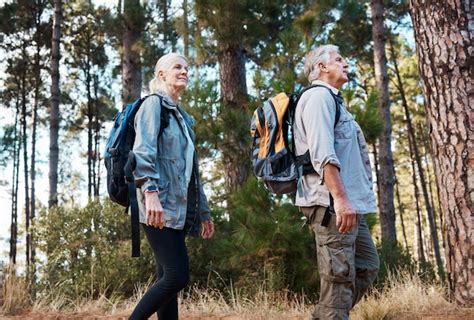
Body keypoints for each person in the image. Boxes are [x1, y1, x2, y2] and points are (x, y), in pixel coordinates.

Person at [294, 44, 380, 320]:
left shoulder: (334, 100)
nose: (346, 63)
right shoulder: (319, 97)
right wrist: (340, 200)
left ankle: (327, 315)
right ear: (322, 67)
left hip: (348, 202)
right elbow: (323, 154)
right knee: (339, 278)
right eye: (339, 59)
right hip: (332, 203)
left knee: (366, 266)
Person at [129, 52, 215, 320]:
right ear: (161, 75)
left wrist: (203, 212)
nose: (184, 71)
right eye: (177, 67)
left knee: (167, 277)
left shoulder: (184, 119)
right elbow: (143, 153)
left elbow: (193, 174)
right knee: (177, 276)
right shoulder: (153, 105)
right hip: (157, 205)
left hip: (176, 209)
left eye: (187, 68)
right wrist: (151, 194)